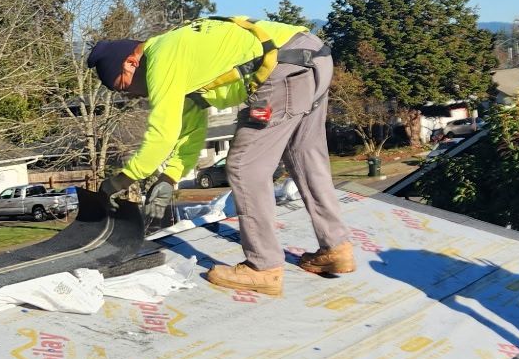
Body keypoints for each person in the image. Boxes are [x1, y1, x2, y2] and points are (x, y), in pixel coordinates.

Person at [86, 18, 354, 297]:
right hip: (312, 55)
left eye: (122, 86)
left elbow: (161, 134)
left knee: (243, 165)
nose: (130, 94)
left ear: (130, 63)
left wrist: (120, 181)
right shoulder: (180, 57)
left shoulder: (161, 57)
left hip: (283, 65)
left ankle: (264, 267)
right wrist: (170, 176)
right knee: (305, 155)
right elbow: (190, 130)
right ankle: (336, 248)